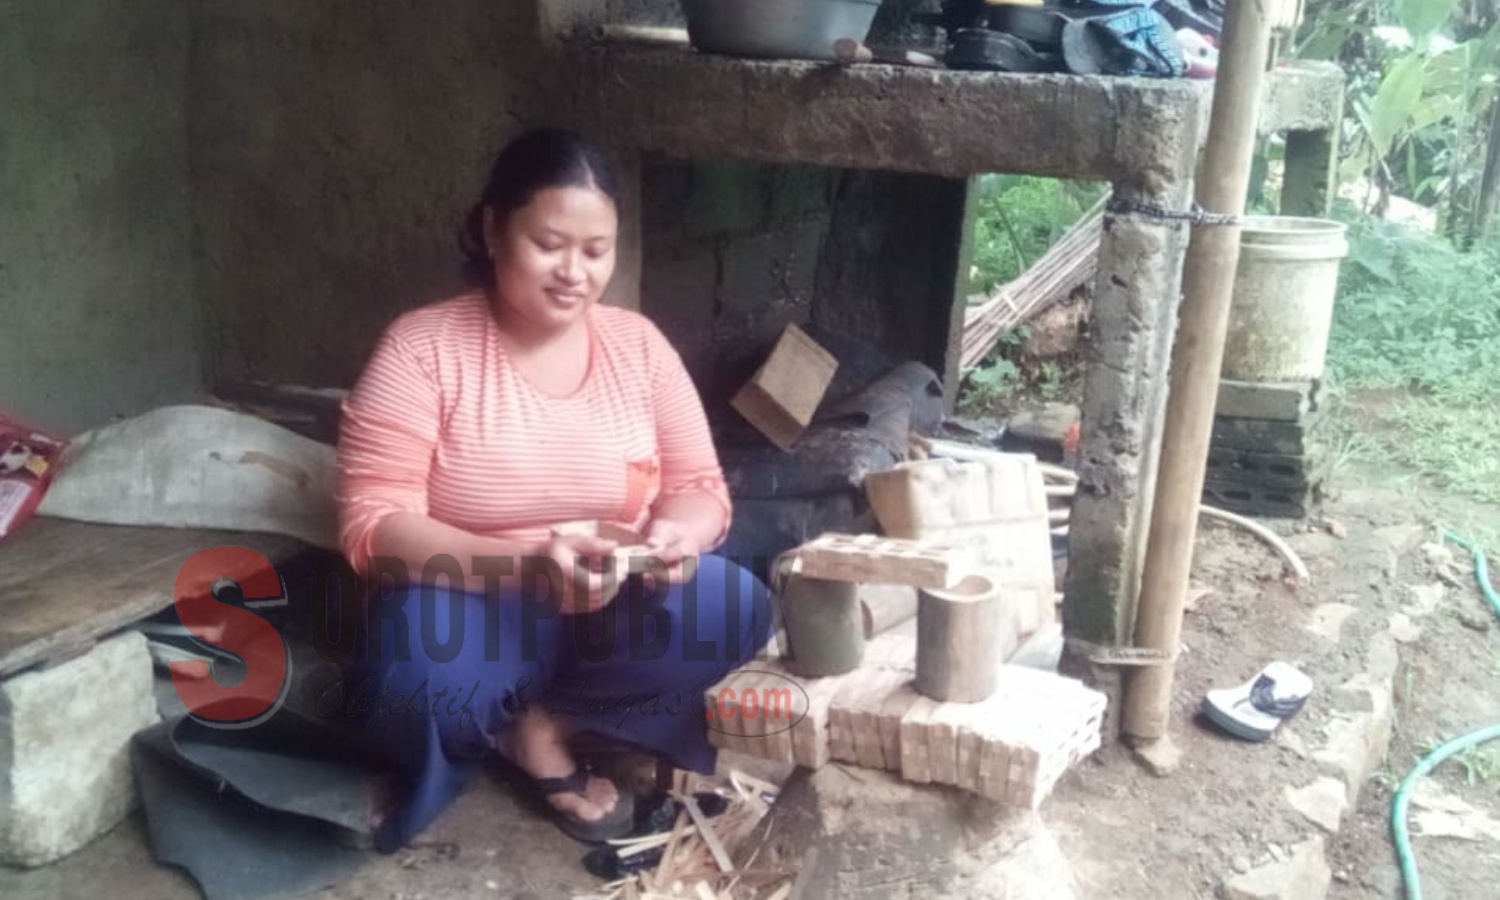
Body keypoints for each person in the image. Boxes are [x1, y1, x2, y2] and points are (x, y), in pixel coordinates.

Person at [335, 128, 774, 851]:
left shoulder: (638, 347)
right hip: (470, 602)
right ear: (491, 230)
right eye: (550, 244)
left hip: (612, 604)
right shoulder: (422, 349)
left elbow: (700, 488)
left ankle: (546, 724)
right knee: (411, 686)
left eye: (596, 251)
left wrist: (679, 534)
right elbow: (373, 528)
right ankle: (487, 722)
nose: (575, 271)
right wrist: (526, 564)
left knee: (735, 606)